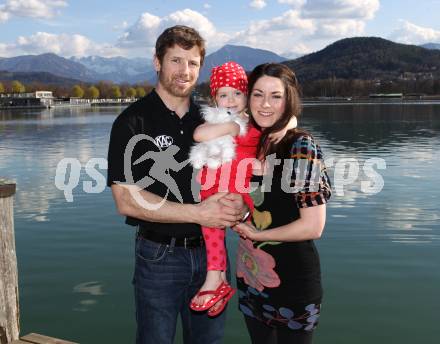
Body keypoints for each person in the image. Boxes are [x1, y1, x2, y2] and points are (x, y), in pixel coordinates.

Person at [106, 26, 248, 344]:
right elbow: (125, 201)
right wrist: (199, 213)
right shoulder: (132, 122)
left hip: (213, 256)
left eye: (193, 62)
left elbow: (236, 170)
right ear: (157, 62)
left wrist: (239, 204)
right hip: (159, 257)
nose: (185, 71)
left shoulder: (213, 117)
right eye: (176, 60)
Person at [233, 63, 332, 344]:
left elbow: (313, 226)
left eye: (276, 96)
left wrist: (258, 234)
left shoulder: (300, 147)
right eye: (257, 94)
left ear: (289, 99)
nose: (265, 104)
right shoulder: (254, 142)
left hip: (293, 283)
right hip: (251, 276)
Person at [189, 61, 297, 317]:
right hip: (214, 188)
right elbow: (198, 135)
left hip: (241, 188)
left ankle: (225, 283)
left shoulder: (255, 123)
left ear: (246, 95)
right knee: (211, 230)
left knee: (243, 228)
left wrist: (287, 125)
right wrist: (229, 127)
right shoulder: (215, 121)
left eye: (237, 93)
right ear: (214, 98)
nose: (230, 100)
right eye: (223, 95)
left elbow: (289, 117)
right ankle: (217, 279)